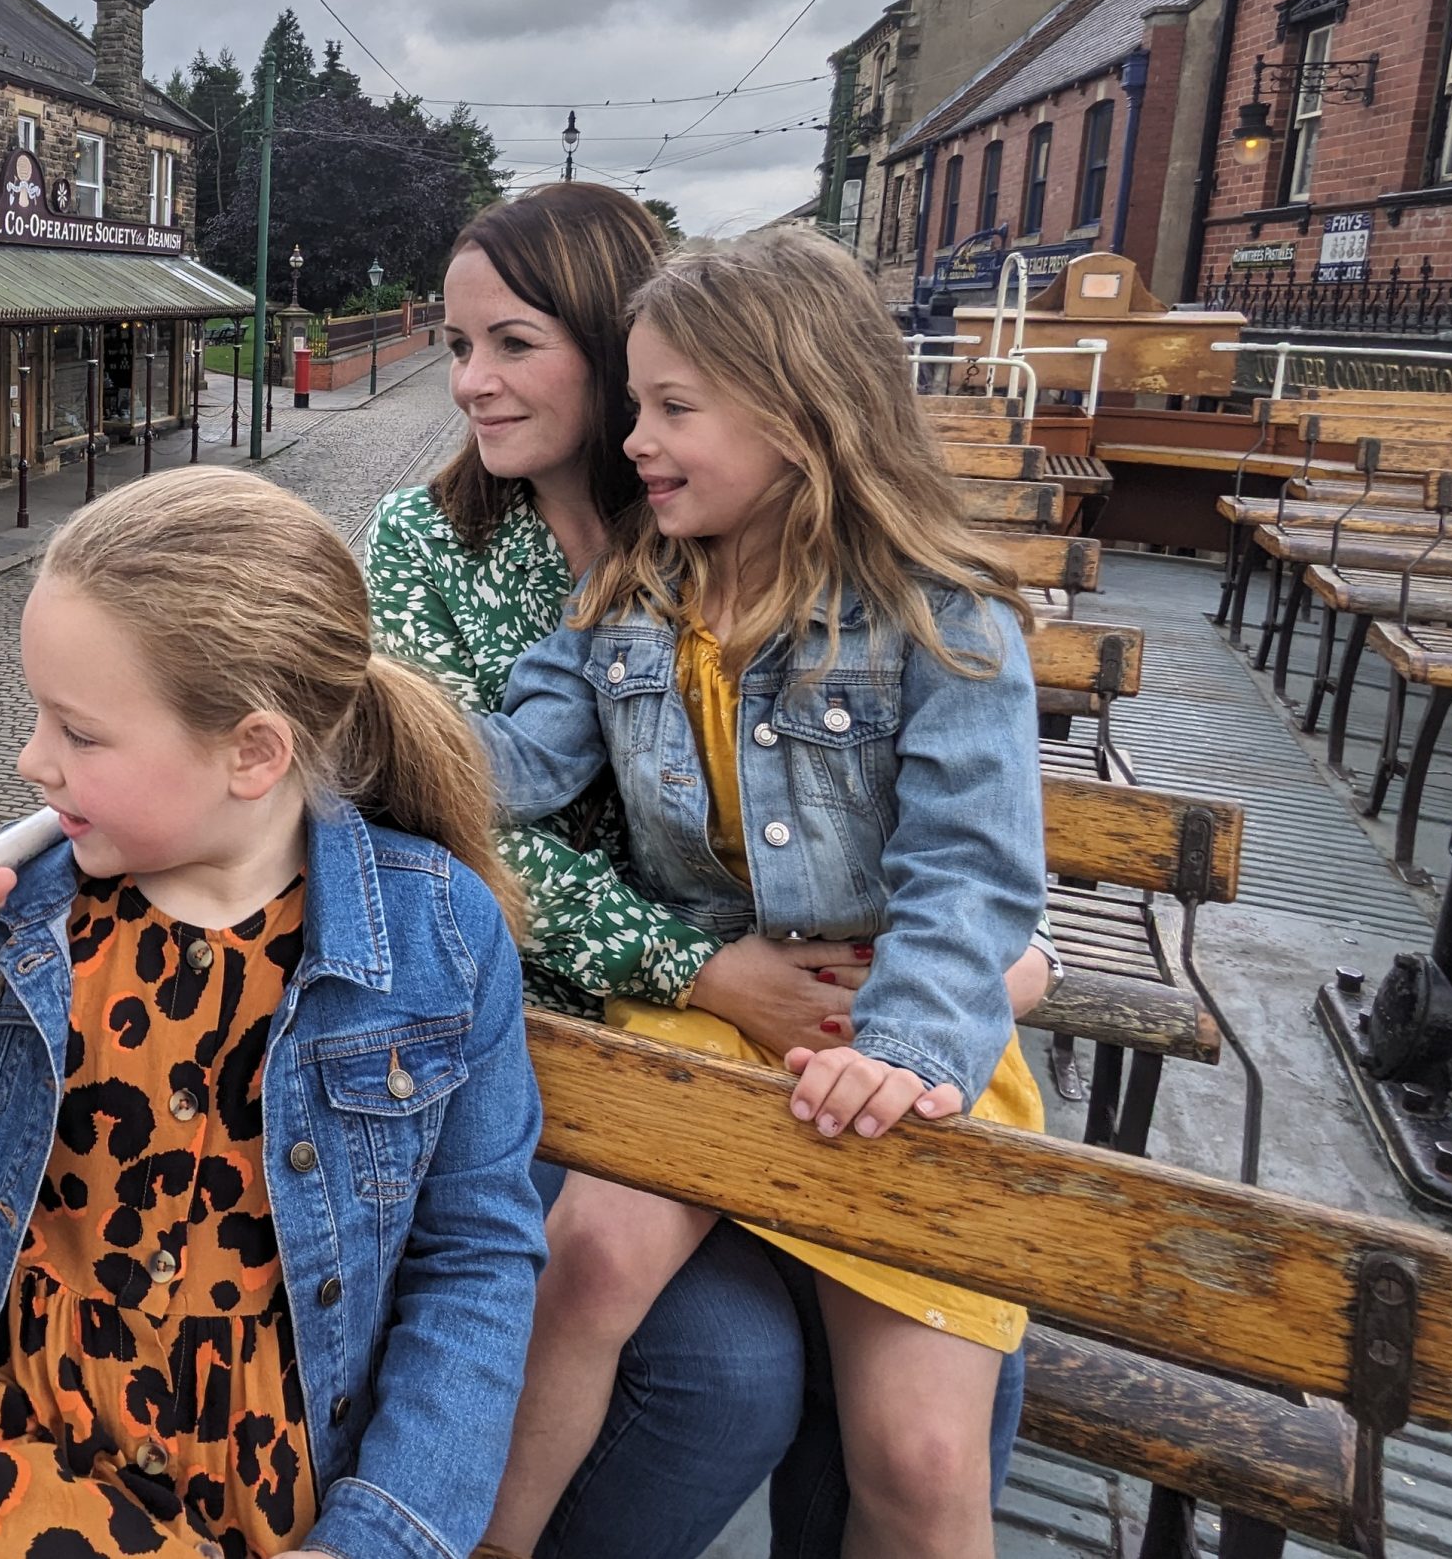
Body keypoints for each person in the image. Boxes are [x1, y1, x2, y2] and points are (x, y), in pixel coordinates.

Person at [364, 182, 1045, 1558]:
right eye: (638, 408)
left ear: (794, 417)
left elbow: (972, 873)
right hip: (699, 1019)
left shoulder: (938, 617)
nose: (637, 438)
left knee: (920, 1453)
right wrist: (344, 723)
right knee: (596, 1257)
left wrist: (913, 1034)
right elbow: (511, 764)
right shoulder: (630, 595)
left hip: (871, 1029)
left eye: (667, 407)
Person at [0, 468, 547, 1559]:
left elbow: (474, 1258)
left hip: (273, 1500)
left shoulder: (439, 935)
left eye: (78, 732)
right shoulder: (26, 925)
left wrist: (382, 1535)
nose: (31, 760)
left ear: (252, 751)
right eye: (37, 716)